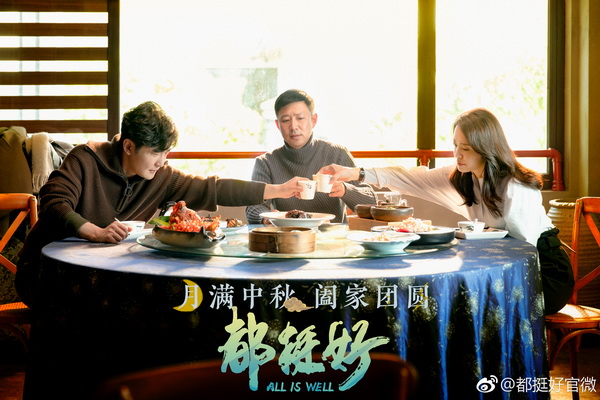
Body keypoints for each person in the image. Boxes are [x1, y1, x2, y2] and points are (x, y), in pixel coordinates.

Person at [16, 100, 305, 307]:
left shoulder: (160, 176)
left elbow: (214, 188)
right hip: (47, 271)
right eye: (155, 153)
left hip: (99, 275)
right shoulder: (85, 159)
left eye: (166, 153)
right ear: (128, 146)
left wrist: (279, 189)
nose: (161, 162)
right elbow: (53, 201)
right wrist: (93, 231)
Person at [319, 108, 574, 315]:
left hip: (542, 272)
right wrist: (356, 173)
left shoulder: (515, 185)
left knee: (466, 301)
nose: (457, 154)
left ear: (486, 148)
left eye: (466, 148)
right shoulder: (463, 176)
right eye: (455, 145)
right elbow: (412, 178)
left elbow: (524, 249)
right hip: (502, 266)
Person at [245, 89, 377, 224]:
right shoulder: (266, 162)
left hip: (333, 235)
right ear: (278, 125)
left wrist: (345, 190)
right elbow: (253, 208)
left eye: (300, 118)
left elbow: (372, 203)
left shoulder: (337, 153)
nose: (293, 126)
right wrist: (267, 218)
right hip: (288, 234)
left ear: (313, 120)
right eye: (285, 120)